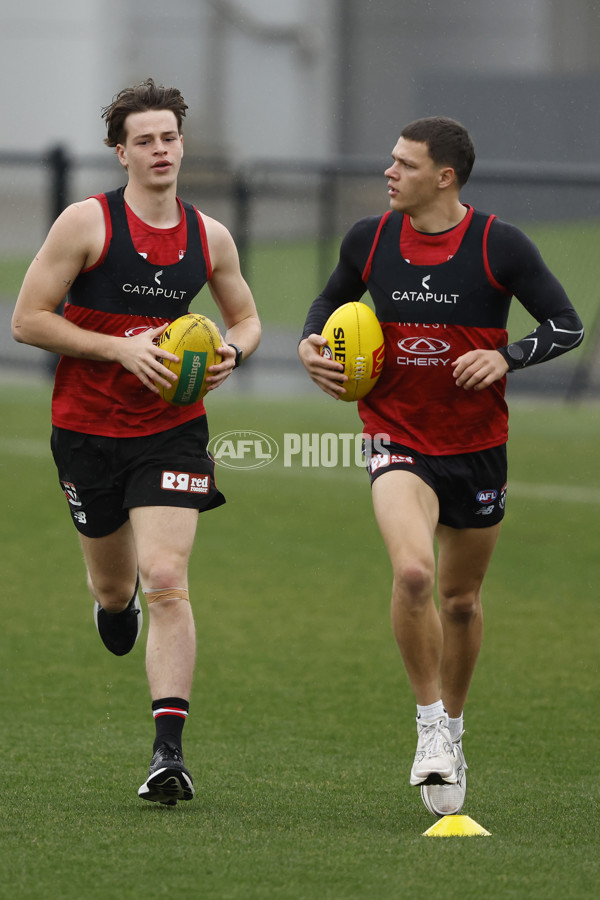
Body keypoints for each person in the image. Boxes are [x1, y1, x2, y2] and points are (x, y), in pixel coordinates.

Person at [298, 116, 583, 817]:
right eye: (390, 161)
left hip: (477, 447)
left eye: (404, 164)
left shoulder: (498, 244)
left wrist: (507, 355)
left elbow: (567, 325)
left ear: (444, 176)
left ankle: (453, 730)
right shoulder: (370, 239)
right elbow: (329, 303)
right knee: (414, 572)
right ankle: (428, 726)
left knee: (459, 600)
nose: (389, 172)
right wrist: (311, 345)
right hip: (396, 436)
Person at [12, 78, 261, 806]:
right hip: (86, 431)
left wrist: (232, 356)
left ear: (182, 145)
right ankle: (108, 605)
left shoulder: (207, 236)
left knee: (165, 579)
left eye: (169, 138)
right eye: (145, 140)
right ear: (120, 152)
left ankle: (168, 755)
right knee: (119, 589)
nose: (160, 150)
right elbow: (28, 320)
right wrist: (119, 349)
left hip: (171, 431)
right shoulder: (86, 224)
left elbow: (245, 319)